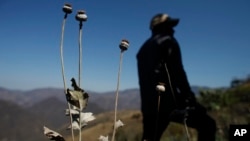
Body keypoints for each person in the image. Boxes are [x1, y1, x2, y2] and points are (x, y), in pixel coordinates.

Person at [136, 13, 216, 141]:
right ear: (159, 27)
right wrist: (190, 100)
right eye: (169, 25)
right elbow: (178, 72)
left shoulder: (142, 49)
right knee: (208, 125)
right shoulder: (168, 41)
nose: (173, 29)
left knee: (149, 138)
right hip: (170, 103)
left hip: (149, 105)